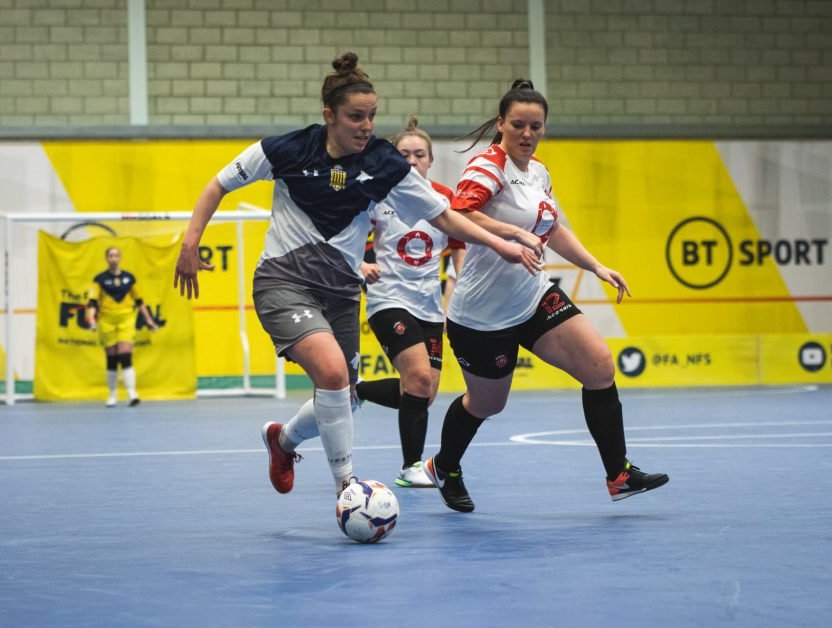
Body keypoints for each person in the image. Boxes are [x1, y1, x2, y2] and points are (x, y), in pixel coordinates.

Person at [173, 54, 542, 500]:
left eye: (371, 116)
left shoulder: (384, 163)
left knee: (344, 394)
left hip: (341, 294)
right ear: (329, 115)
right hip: (283, 282)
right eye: (355, 117)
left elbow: (444, 216)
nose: (366, 126)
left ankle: (282, 441)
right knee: (331, 373)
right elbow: (218, 185)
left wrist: (501, 243)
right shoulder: (287, 149)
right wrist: (190, 243)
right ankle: (348, 489)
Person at [424, 80, 669, 512]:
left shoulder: (538, 171)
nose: (527, 133)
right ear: (501, 123)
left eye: (536, 126)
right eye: (518, 124)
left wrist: (595, 265)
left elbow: (552, 229)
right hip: (482, 317)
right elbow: (460, 213)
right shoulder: (488, 167)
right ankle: (445, 467)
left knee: (599, 365)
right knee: (487, 404)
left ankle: (619, 474)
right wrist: (513, 233)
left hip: (533, 297)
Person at [355, 116, 468, 488]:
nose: (411, 161)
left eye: (419, 154)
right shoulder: (377, 195)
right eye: (403, 154)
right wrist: (362, 263)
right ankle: (411, 467)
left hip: (430, 306)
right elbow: (348, 237)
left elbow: (458, 251)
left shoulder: (442, 198)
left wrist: (453, 301)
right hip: (388, 299)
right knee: (418, 378)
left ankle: (355, 390)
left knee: (424, 392)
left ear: (430, 161)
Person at [86, 246, 159, 407]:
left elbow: (140, 302)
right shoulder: (99, 279)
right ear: (106, 259)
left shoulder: (129, 278)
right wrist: (91, 320)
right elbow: (92, 302)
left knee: (125, 355)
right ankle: (112, 395)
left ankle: (132, 394)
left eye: (116, 255)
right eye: (110, 256)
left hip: (126, 320)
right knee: (112, 358)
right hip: (106, 321)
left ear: (120, 258)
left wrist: (149, 321)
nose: (113, 258)